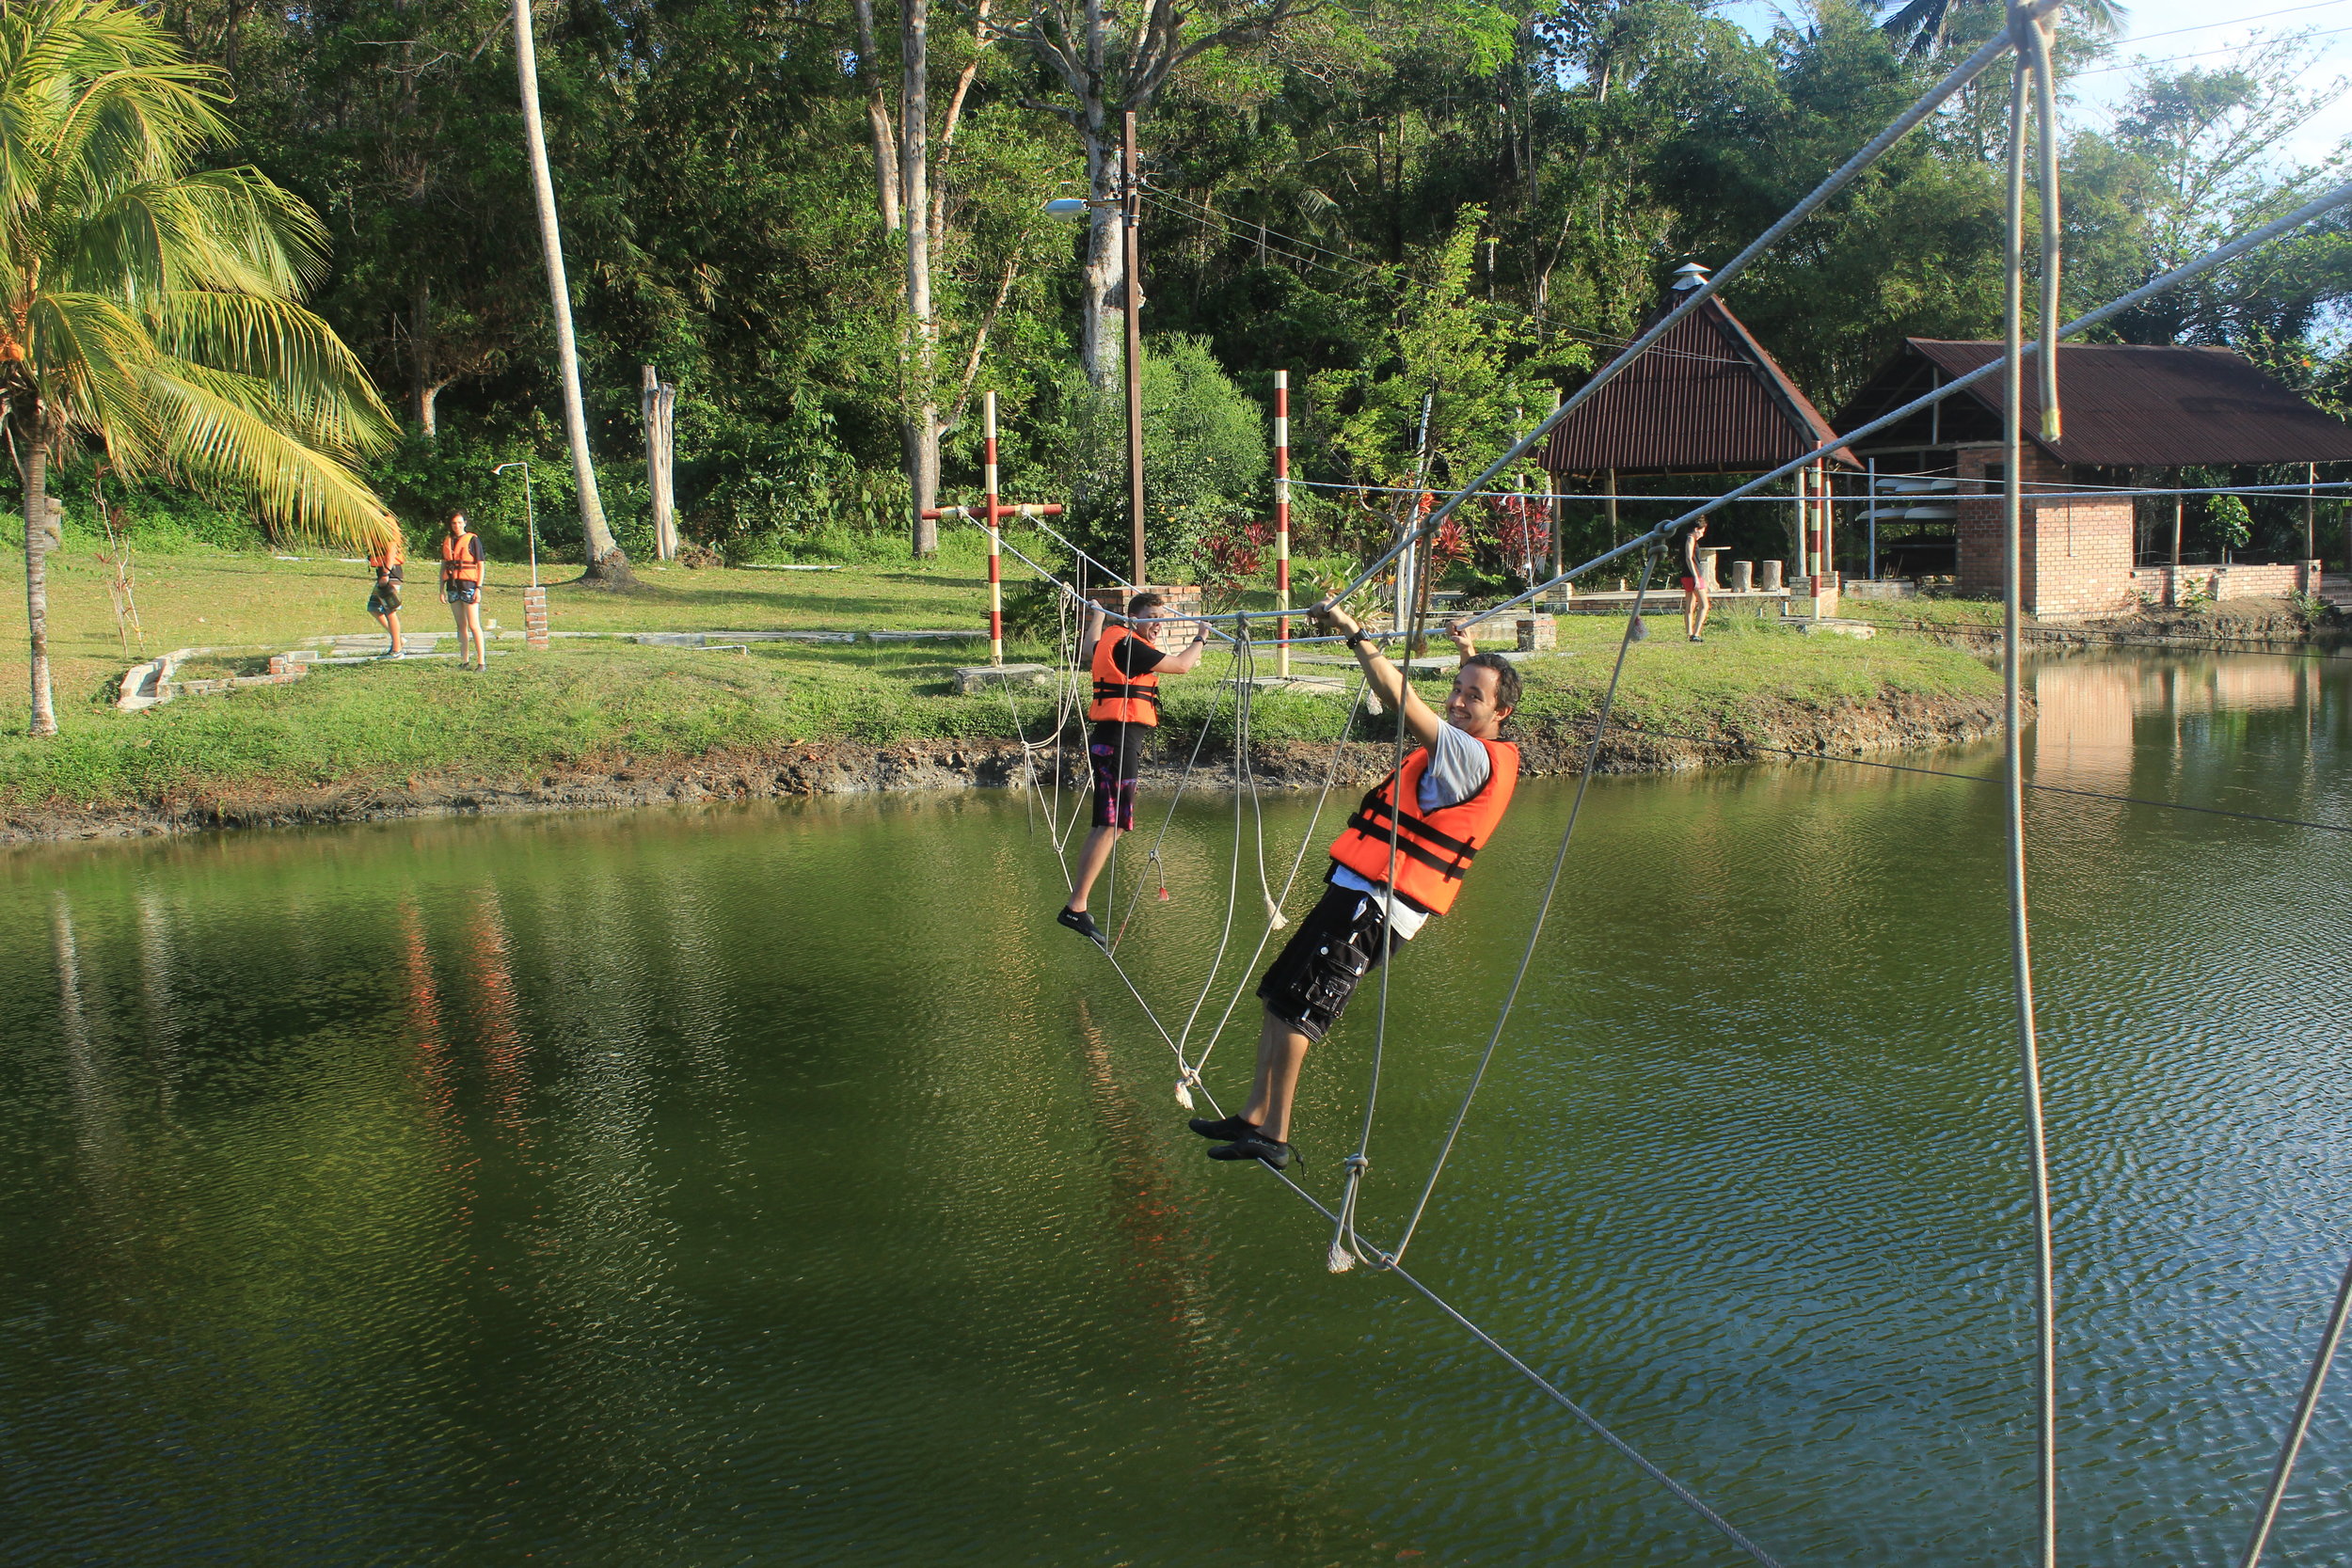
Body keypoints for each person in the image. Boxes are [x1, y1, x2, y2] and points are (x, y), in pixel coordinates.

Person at [1191, 608, 1520, 1169]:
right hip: (1357, 888)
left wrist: (1355, 635)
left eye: (1474, 697)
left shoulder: (1468, 756)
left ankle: (1275, 1134)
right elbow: (1474, 698)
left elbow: (1400, 699)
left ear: (1501, 713)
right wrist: (1469, 653)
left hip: (1378, 905)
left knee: (1301, 1008)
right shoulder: (1477, 740)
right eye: (1457, 690)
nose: (1458, 701)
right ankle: (1252, 1115)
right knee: (1277, 996)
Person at [1057, 592, 1209, 945]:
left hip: (1115, 742)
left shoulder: (1115, 641)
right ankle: (1075, 906)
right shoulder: (1130, 645)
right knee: (1111, 825)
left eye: (1163, 618)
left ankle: (1077, 904)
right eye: (1152, 616)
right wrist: (1201, 636)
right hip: (1117, 742)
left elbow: (1089, 648)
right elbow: (1183, 665)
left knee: (1110, 825)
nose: (1158, 624)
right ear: (1133, 619)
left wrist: (1095, 616)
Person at [439, 511, 488, 672]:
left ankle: (481, 662)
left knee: (474, 625)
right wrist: (441, 589)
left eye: (460, 523)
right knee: (461, 625)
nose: (457, 526)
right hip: (453, 586)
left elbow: (480, 565)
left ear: (465, 523)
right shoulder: (448, 541)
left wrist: (478, 588)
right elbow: (443, 566)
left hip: (469, 586)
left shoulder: (473, 540)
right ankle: (465, 660)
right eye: (454, 523)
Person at [367, 517, 405, 657]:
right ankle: (398, 639)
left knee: (390, 610)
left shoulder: (386, 525)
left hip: (390, 572)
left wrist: (385, 573)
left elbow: (391, 550)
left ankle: (397, 650)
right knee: (373, 607)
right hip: (383, 572)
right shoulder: (375, 524)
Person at [1680, 518, 1711, 642]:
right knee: (1705, 605)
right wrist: (1696, 578)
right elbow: (1688, 558)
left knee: (1690, 605)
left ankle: (1689, 633)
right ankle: (1696, 634)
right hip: (1693, 576)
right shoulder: (1690, 538)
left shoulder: (1686, 538)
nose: (1702, 534)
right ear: (1696, 529)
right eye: (1702, 531)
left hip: (1686, 575)